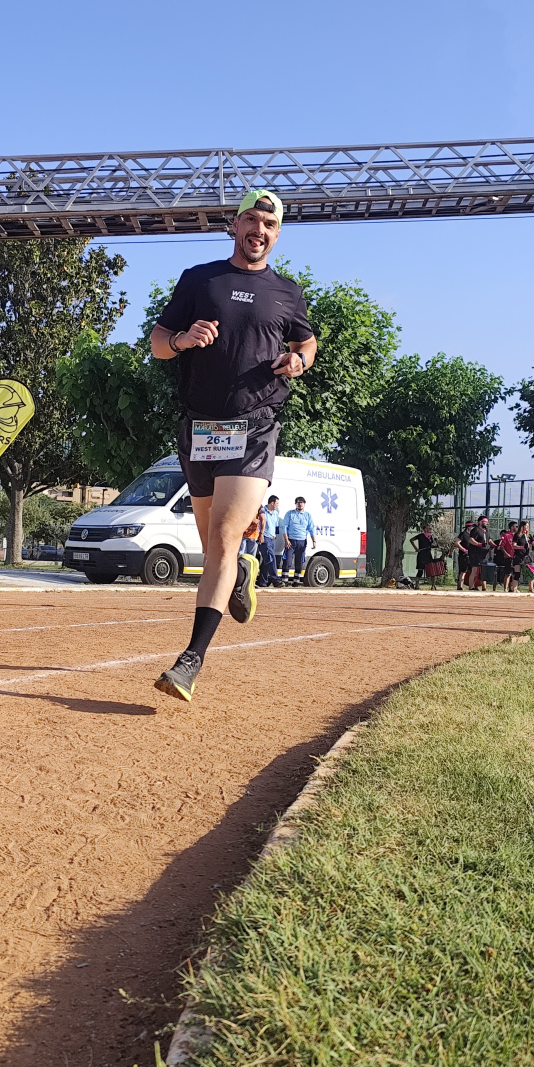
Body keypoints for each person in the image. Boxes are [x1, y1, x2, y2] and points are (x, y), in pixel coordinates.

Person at [150, 188, 317, 700]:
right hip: (200, 427)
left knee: (222, 538)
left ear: (276, 235)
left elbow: (306, 342)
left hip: (255, 425)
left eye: (269, 224)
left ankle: (190, 661)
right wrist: (182, 340)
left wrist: (299, 360)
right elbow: (158, 344)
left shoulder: (286, 292)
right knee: (215, 548)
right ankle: (243, 569)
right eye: (252, 220)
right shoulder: (200, 280)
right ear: (235, 225)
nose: (259, 230)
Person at [282, 496, 317, 584]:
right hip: (290, 541)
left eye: (301, 502)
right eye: (298, 502)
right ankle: (284, 582)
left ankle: (296, 582)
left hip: (302, 542)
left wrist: (314, 541)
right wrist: (286, 539)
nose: (300, 504)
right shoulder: (290, 514)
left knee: (299, 563)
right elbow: (284, 527)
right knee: (287, 561)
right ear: (295, 504)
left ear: (304, 504)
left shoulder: (308, 516)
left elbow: (311, 529)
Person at [258, 494, 284, 588]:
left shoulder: (276, 513)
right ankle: (275, 579)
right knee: (270, 558)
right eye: (277, 503)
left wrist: (275, 537)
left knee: (267, 561)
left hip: (272, 539)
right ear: (272, 503)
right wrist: (260, 535)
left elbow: (276, 526)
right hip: (264, 538)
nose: (277, 505)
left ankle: (262, 581)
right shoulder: (262, 511)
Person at [467, 516, 493, 591]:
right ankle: (471, 587)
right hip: (475, 553)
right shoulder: (475, 530)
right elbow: (471, 540)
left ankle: (484, 587)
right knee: (474, 569)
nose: (487, 523)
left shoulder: (486, 530)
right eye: (485, 521)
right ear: (480, 522)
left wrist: (493, 545)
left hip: (484, 554)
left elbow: (489, 539)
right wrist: (479, 544)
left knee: (484, 570)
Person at [512, 520, 534, 594]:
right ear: (522, 526)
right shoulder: (517, 535)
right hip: (518, 556)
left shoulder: (529, 536)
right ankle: (514, 589)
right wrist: (520, 547)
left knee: (531, 573)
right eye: (526, 526)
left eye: (528, 526)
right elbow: (514, 545)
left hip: (526, 556)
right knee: (517, 573)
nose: (527, 527)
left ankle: (531, 588)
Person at [454, 520, 476, 590]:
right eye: (472, 527)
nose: (473, 528)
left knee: (472, 571)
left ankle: (472, 586)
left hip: (472, 555)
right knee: (463, 571)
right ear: (468, 527)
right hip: (464, 556)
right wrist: (463, 549)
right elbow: (457, 543)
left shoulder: (472, 535)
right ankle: (460, 587)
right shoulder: (463, 534)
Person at [495, 522, 517, 592]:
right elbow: (501, 546)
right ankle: (505, 588)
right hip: (509, 557)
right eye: (516, 526)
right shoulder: (506, 535)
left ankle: (513, 588)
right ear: (512, 527)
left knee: (515, 573)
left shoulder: (517, 536)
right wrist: (506, 554)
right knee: (508, 573)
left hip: (516, 557)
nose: (517, 528)